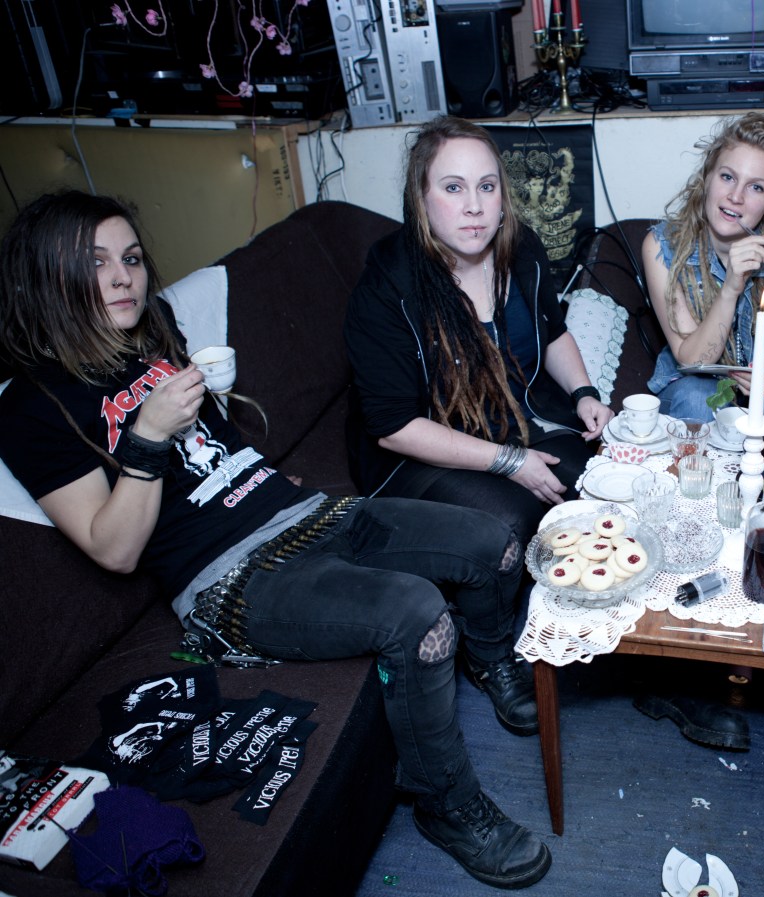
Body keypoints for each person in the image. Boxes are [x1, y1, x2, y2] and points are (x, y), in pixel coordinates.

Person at [0, 191, 551, 890]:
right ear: (45, 278)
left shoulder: (150, 332)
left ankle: (491, 661)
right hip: (230, 577)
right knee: (417, 612)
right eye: (95, 263)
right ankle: (446, 804)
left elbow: (213, 448)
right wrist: (146, 436)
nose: (122, 278)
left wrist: (256, 469)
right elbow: (114, 549)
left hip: (302, 513)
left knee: (493, 540)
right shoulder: (32, 406)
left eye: (131, 259)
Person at [345, 115, 614, 549]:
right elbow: (393, 427)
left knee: (598, 489)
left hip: (517, 419)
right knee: (512, 524)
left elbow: (553, 332)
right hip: (427, 448)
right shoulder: (387, 286)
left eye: (486, 187)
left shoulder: (521, 249)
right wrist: (509, 461)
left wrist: (584, 393)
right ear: (421, 197)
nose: (474, 206)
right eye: (453, 188)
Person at [643, 112, 764, 423]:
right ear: (707, 178)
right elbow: (692, 360)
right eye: (727, 177)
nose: (735, 197)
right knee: (699, 399)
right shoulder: (663, 245)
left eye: (756, 187)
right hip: (692, 386)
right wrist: (731, 286)